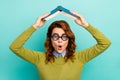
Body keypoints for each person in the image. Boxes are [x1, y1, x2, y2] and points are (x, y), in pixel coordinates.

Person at [9, 11, 111, 80]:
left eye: (64, 37)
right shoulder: (39, 58)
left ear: (69, 39)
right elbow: (15, 47)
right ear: (50, 39)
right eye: (55, 36)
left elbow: (105, 43)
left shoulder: (80, 58)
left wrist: (85, 25)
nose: (60, 41)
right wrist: (35, 26)